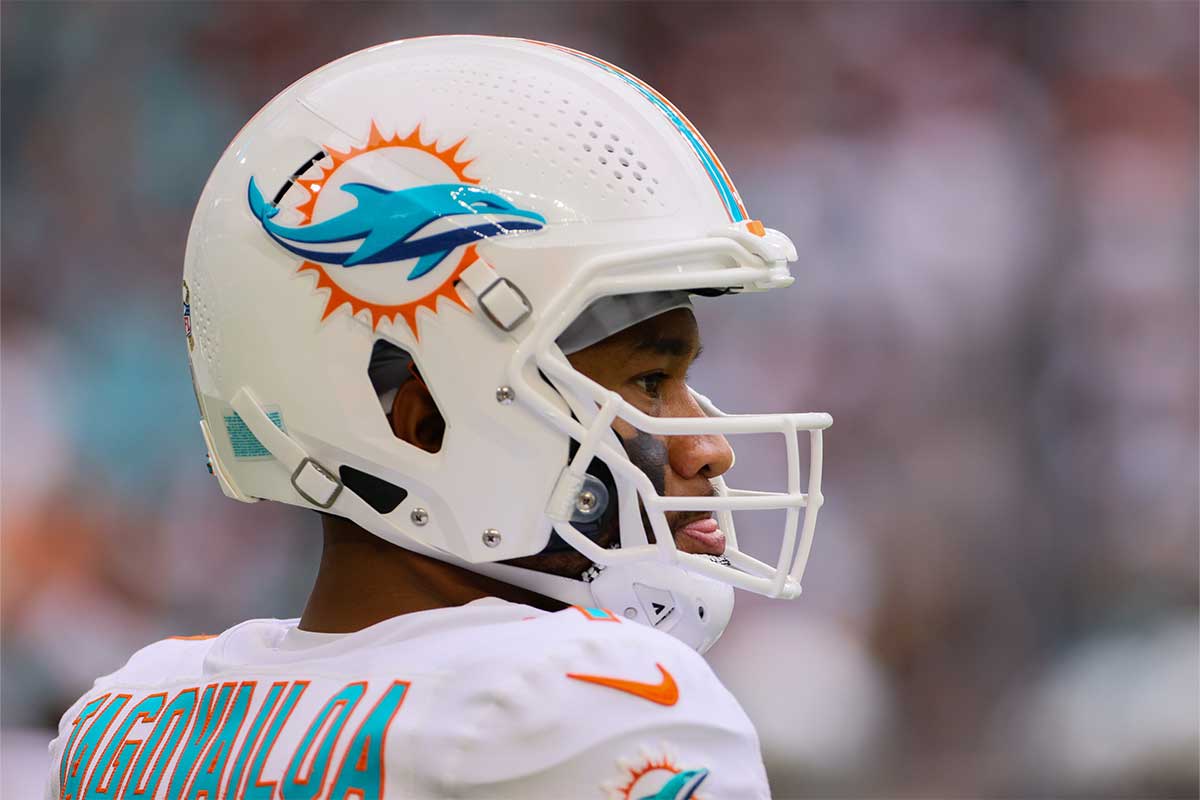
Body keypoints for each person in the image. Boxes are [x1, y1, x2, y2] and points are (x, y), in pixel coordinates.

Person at [46, 36, 831, 798]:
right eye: (650, 380)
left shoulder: (128, 721)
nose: (709, 448)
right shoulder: (587, 703)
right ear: (422, 425)